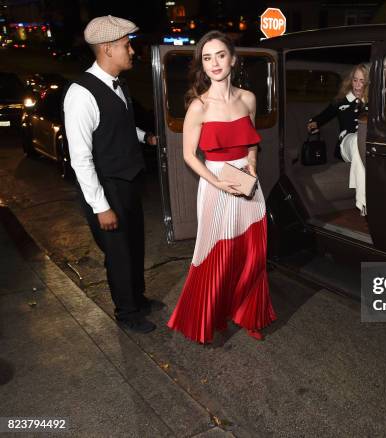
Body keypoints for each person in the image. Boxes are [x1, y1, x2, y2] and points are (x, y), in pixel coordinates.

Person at [167, 31, 276, 343]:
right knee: (217, 254)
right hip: (215, 184)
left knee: (253, 252)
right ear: (202, 65)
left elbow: (252, 142)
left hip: (246, 182)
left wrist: (251, 167)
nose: (214, 63)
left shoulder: (248, 99)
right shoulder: (199, 106)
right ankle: (211, 315)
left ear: (233, 59)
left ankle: (248, 312)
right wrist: (216, 182)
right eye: (207, 57)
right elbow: (189, 154)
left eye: (220, 55)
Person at [63, 15, 159, 333]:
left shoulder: (118, 84)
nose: (132, 51)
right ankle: (127, 313)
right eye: (126, 46)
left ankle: (138, 299)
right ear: (107, 49)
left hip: (128, 181)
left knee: (134, 245)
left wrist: (146, 137)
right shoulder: (81, 94)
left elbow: (117, 126)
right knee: (118, 254)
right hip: (107, 187)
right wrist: (100, 205)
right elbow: (80, 158)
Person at [307, 63, 369, 216]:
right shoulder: (341, 101)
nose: (358, 85)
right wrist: (313, 123)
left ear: (367, 83)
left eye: (362, 81)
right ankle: (363, 202)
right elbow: (322, 117)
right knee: (356, 140)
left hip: (366, 146)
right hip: (346, 144)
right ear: (350, 81)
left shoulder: (373, 103)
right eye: (355, 80)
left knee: (361, 144)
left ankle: (363, 203)